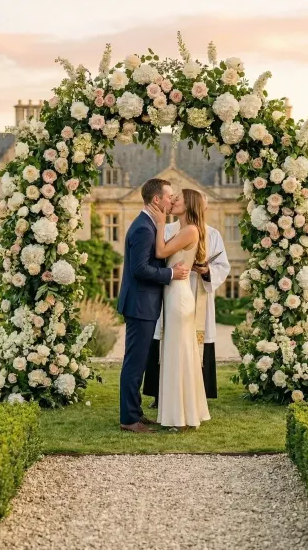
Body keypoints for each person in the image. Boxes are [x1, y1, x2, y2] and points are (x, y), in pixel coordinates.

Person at [117, 178, 190, 433]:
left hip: (144, 304)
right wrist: (171, 275)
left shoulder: (149, 224)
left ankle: (135, 413)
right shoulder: (143, 229)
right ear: (156, 199)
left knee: (138, 361)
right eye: (169, 196)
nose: (172, 201)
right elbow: (139, 270)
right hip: (139, 305)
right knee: (134, 363)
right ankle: (128, 419)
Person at [143, 192, 230, 405]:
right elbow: (158, 256)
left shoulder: (212, 234)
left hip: (194, 290)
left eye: (177, 200)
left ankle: (193, 394)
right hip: (172, 288)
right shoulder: (170, 228)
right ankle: (161, 393)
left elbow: (223, 266)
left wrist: (206, 270)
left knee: (189, 343)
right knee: (168, 340)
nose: (172, 202)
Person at [147, 189, 211, 429]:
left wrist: (161, 223)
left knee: (178, 354)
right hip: (175, 294)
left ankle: (179, 417)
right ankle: (183, 413)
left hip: (178, 297)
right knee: (177, 353)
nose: (173, 201)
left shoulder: (190, 230)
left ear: (189, 204)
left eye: (178, 199)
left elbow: (161, 252)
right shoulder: (186, 230)